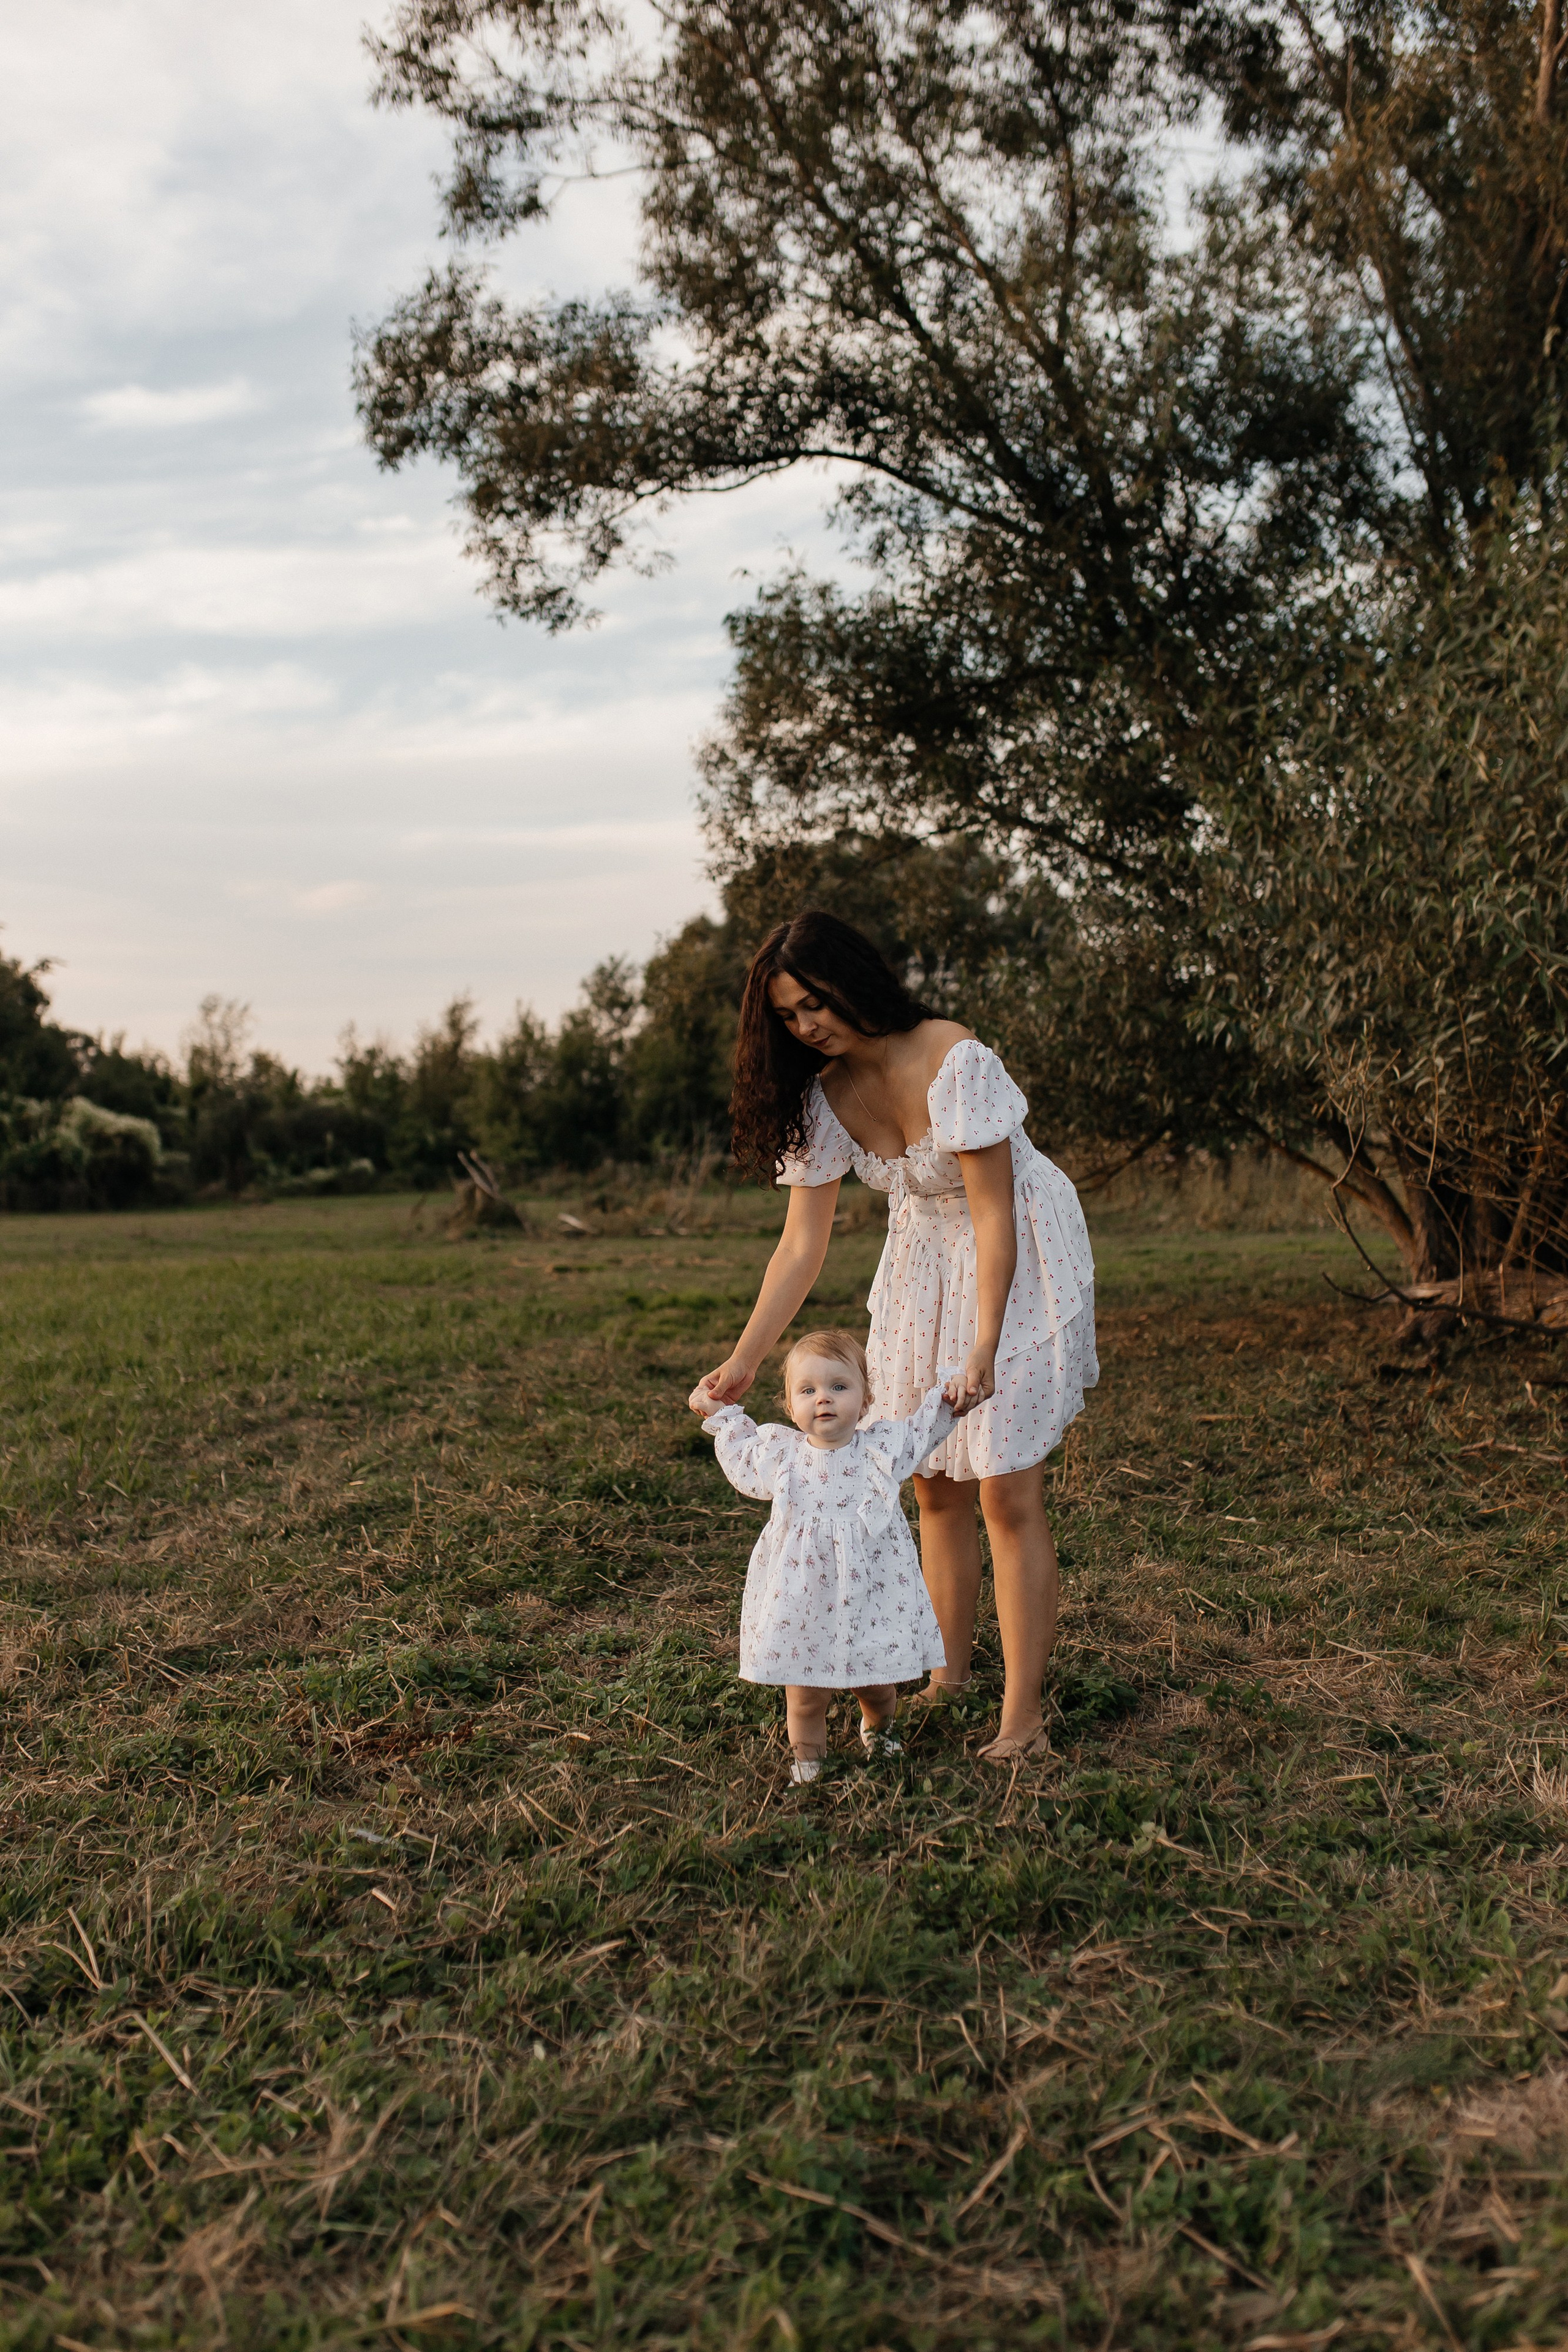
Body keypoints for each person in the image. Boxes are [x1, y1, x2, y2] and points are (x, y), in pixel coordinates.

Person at [692, 910, 1097, 1763]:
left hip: (1015, 1251)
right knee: (931, 1484)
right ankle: (948, 1677)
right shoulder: (822, 1095)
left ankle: (1022, 1721)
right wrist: (746, 1358)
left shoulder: (955, 1059)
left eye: (815, 1003)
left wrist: (985, 1345)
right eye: (790, 1016)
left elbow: (993, 1212)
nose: (808, 1026)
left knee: (1003, 1492)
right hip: (922, 1260)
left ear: (854, 980)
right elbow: (802, 1245)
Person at [691, 1326, 974, 1782]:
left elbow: (924, 1429)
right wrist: (719, 1414)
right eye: (808, 1390)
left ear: (865, 1401)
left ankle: (880, 1734)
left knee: (878, 1687)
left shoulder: (881, 1451)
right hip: (802, 1602)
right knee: (804, 1697)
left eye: (839, 1387)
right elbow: (742, 1456)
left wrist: (952, 1395)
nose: (823, 1398)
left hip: (869, 1596)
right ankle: (809, 1761)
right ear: (790, 1407)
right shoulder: (781, 1455)